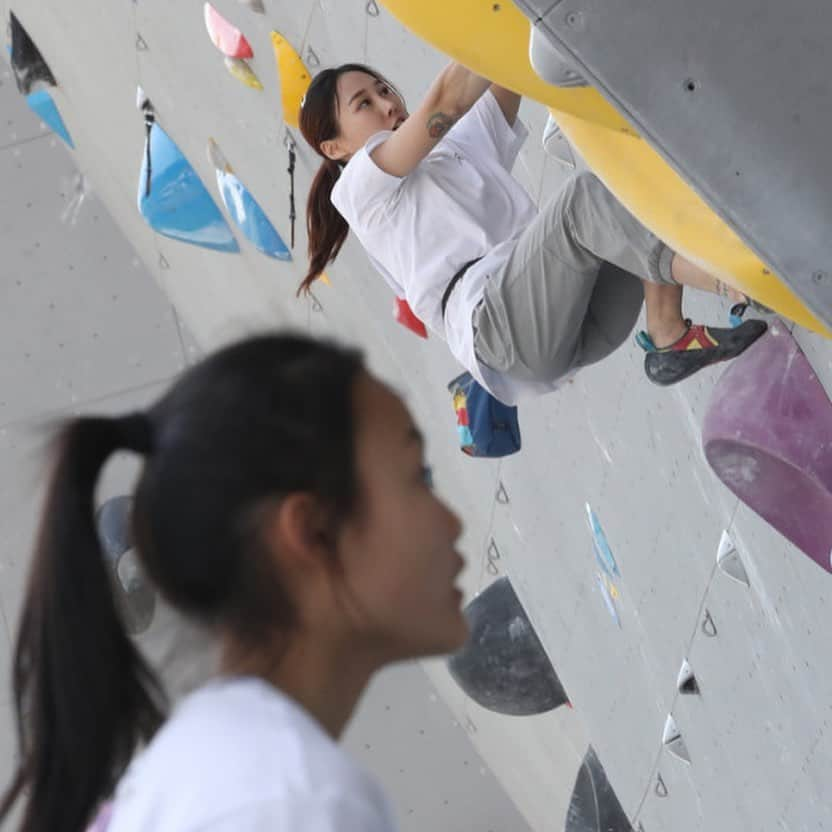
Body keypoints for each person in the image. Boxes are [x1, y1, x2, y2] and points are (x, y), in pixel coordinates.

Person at [0, 334, 466, 832]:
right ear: (312, 531)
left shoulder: (212, 769)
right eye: (418, 477)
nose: (452, 522)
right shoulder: (296, 805)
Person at [298, 62, 767, 405]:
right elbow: (448, 98)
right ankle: (741, 281)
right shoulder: (359, 191)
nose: (387, 104)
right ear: (334, 147)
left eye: (384, 89)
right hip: (501, 333)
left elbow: (507, 64)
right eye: (365, 103)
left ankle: (668, 335)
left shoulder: (454, 150)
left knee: (629, 176)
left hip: (573, 319)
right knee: (583, 200)